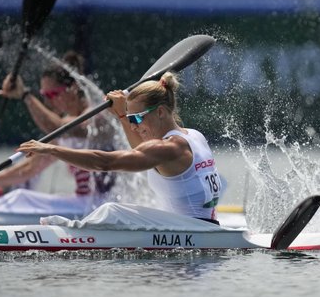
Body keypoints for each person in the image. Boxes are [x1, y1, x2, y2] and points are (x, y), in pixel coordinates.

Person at [17, 72, 223, 223]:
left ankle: (72, 233)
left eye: (137, 117)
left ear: (160, 112)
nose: (134, 125)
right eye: (131, 118)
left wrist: (52, 149)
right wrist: (123, 116)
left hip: (189, 231)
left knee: (112, 211)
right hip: (201, 227)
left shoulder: (169, 148)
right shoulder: (194, 136)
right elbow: (142, 150)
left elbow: (106, 161)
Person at [0, 52, 117, 216]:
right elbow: (30, 168)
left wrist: (25, 95)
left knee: (21, 198)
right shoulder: (66, 128)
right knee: (20, 195)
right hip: (85, 204)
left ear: (73, 88)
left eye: (53, 94)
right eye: (44, 95)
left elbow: (58, 126)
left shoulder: (99, 116)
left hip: (107, 205)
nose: (48, 101)